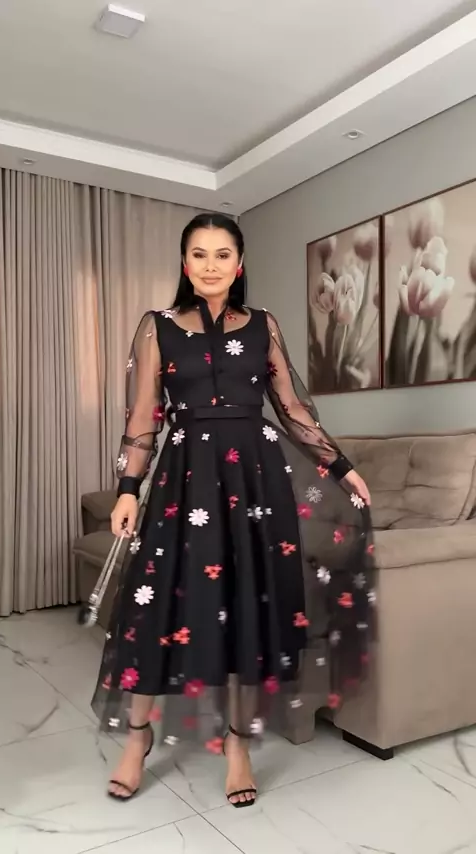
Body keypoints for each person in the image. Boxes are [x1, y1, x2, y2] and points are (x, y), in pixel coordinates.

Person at [91, 213, 375, 807]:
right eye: (199, 254)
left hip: (255, 481)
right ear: (185, 263)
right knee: (155, 605)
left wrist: (341, 466)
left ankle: (238, 746)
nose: (211, 265)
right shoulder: (157, 326)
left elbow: (292, 409)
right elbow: (143, 416)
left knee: (249, 606)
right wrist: (128, 488)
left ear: (239, 264)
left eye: (223, 254)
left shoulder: (263, 325)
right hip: (183, 481)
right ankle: (137, 738)